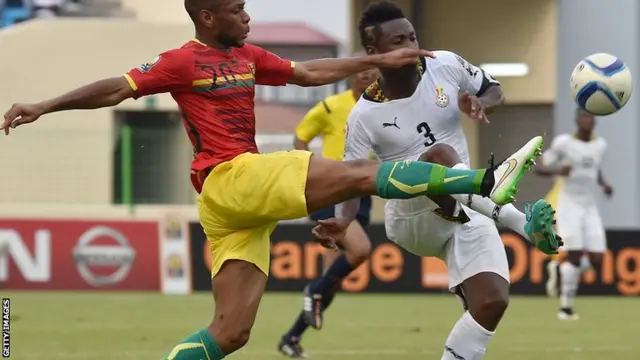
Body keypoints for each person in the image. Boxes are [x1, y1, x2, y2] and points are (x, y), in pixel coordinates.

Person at [3, 1, 532, 359]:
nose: (249, 16)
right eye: (237, 9)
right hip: (232, 175)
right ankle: (485, 183)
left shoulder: (248, 57)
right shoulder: (181, 61)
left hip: (233, 209)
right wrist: (44, 105)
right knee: (357, 175)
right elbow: (115, 89)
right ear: (208, 17)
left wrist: (375, 58)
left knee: (231, 333)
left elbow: (310, 72)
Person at [312, 3, 562, 360]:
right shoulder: (364, 116)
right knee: (439, 156)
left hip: (467, 203)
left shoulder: (443, 64)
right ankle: (517, 219)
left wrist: (480, 101)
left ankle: (499, 203)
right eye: (399, 40)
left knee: (490, 302)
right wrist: (344, 219)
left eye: (412, 36)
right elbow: (352, 179)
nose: (412, 45)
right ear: (374, 52)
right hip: (413, 216)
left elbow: (493, 88)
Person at [278, 65, 378, 358]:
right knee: (359, 250)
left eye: (372, 70)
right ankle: (314, 291)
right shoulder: (332, 106)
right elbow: (302, 135)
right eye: (361, 70)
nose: (366, 74)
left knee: (331, 281)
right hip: (332, 188)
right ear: (350, 76)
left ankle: (291, 338)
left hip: (362, 192)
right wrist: (307, 170)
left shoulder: (382, 106)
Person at [536, 109, 612, 321]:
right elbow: (540, 168)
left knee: (598, 260)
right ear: (577, 119)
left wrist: (603, 184)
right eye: (584, 116)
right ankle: (566, 308)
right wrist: (558, 170)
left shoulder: (600, 145)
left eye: (590, 116)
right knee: (575, 254)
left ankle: (561, 268)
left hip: (590, 206)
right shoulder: (564, 144)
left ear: (595, 121)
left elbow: (594, 169)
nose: (587, 120)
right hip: (569, 204)